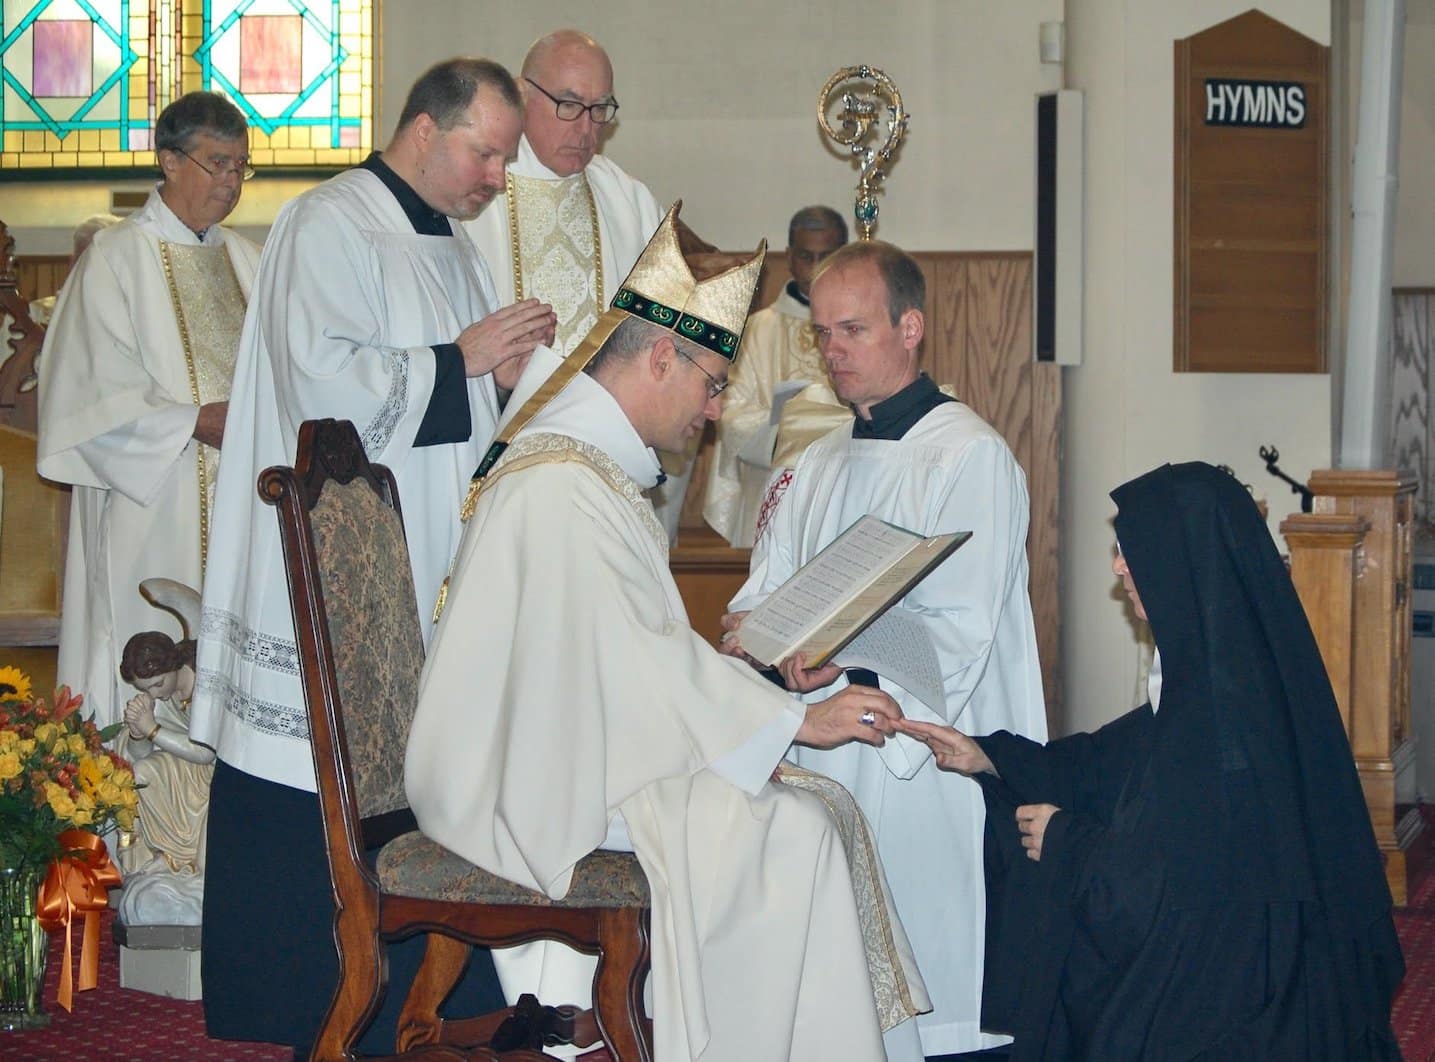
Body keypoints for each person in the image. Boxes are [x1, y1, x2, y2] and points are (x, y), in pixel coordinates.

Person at [408, 205, 930, 1062]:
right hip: (517, 782)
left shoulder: (586, 471)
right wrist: (792, 721)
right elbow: (633, 661)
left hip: (562, 754)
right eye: (712, 384)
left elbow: (626, 655)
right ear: (660, 354)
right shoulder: (562, 483)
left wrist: (755, 700)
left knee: (797, 810)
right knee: (787, 832)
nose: (716, 412)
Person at [191, 58, 553, 1053]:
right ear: (426, 129)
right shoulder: (331, 223)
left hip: (422, 564)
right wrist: (461, 362)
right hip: (331, 568)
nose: (494, 175)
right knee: (317, 770)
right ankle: (303, 999)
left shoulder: (454, 245)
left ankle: (425, 1001)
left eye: (503, 158)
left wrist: (500, 379)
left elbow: (456, 415)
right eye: (485, 151)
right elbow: (324, 386)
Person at [901, 462, 1406, 1061]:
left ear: (1180, 563)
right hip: (1225, 972)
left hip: (1241, 1005)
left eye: (1130, 552)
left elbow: (1183, 891)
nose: (1118, 567)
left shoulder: (1227, 714)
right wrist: (990, 756)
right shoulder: (1214, 670)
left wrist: (1065, 841)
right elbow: (1111, 763)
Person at [723, 239, 1048, 1059]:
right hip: (817, 744)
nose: (832, 352)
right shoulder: (814, 461)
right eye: (823, 334)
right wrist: (763, 644)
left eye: (853, 331)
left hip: (914, 761)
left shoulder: (968, 457)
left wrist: (837, 644)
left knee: (923, 978)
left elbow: (959, 632)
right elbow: (760, 594)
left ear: (911, 328)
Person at [38, 92, 260, 732]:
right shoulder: (116, 259)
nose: (230, 182)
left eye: (241, 166)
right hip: (152, 503)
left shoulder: (247, 262)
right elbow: (89, 393)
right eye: (216, 163)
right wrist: (192, 422)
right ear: (168, 159)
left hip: (242, 507)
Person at [463, 30, 693, 541]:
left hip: (605, 470)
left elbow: (669, 334)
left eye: (599, 108)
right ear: (524, 94)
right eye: (569, 105)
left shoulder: (628, 202)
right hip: (500, 459)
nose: (586, 128)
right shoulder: (475, 195)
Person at [703, 205, 848, 547]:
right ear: (790, 257)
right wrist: (789, 432)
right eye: (805, 256)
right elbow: (732, 412)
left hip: (843, 485)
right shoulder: (758, 330)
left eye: (826, 257)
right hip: (771, 487)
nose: (814, 270)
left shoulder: (859, 330)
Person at [115, 631, 215, 926]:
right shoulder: (164, 694)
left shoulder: (206, 681)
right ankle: (167, 859)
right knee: (143, 773)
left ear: (173, 665)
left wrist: (152, 729)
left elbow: (206, 751)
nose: (156, 694)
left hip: (216, 772)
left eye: (159, 684)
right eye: (147, 689)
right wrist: (136, 731)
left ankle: (190, 867)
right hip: (185, 769)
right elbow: (138, 755)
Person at [29, 213, 122, 328]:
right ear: (71, 263)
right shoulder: (30, 317)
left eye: (102, 265)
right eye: (82, 262)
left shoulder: (132, 320)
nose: (89, 272)